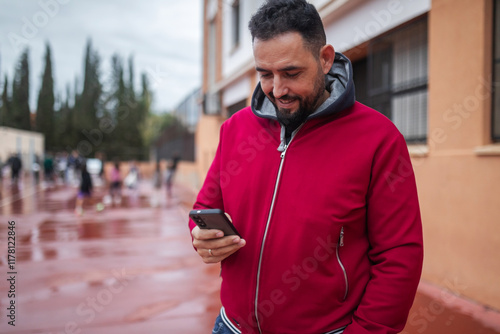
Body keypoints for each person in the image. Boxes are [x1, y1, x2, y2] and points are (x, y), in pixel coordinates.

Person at [189, 1, 424, 334]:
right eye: (265, 74)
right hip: (231, 327)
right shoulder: (234, 129)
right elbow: (204, 208)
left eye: (291, 73)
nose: (277, 89)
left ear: (325, 58)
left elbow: (399, 255)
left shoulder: (379, 139)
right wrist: (201, 236)